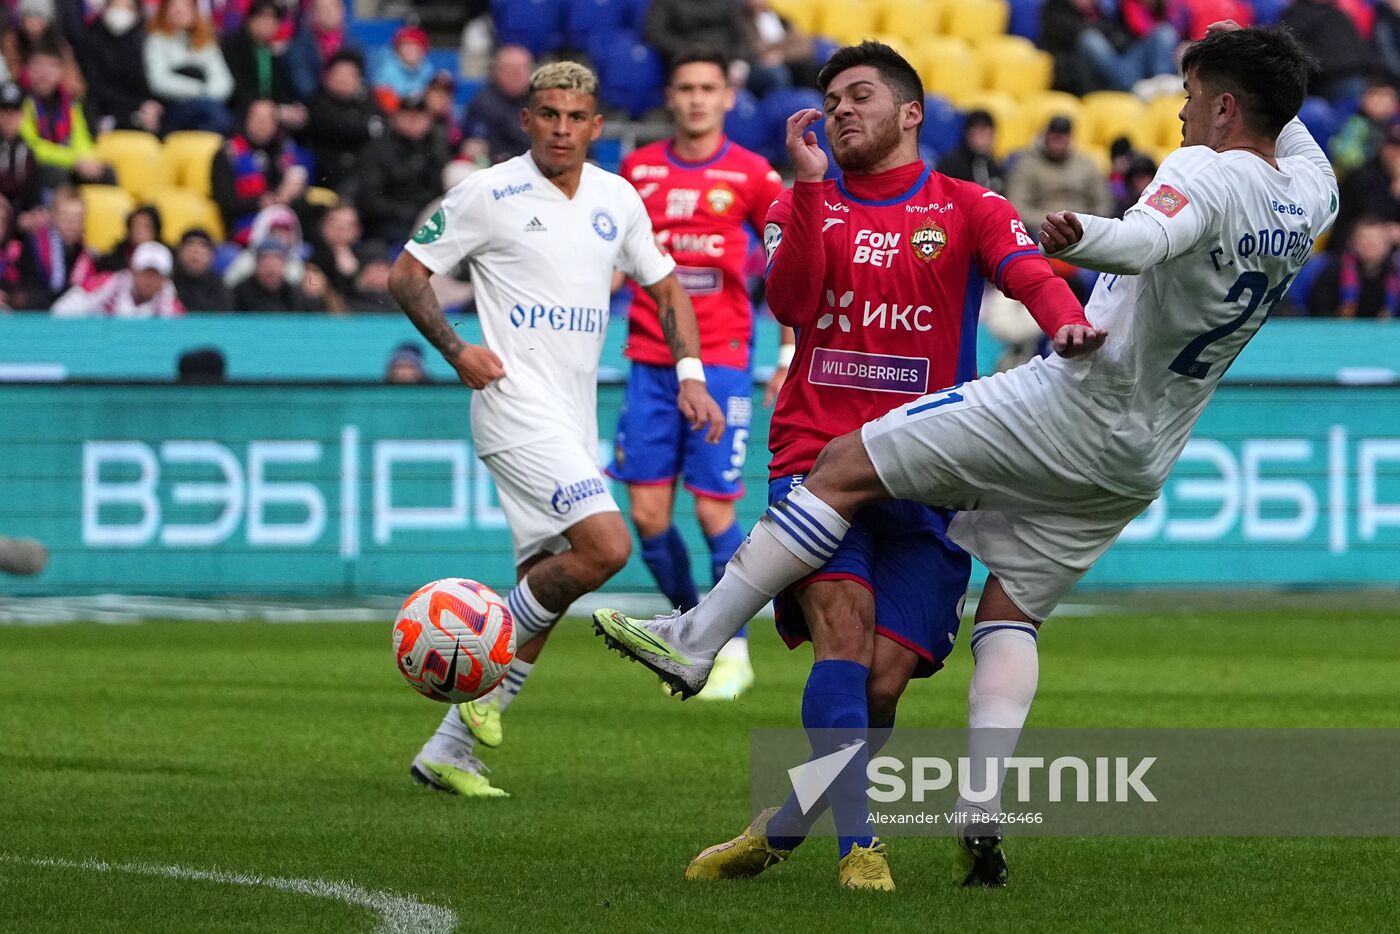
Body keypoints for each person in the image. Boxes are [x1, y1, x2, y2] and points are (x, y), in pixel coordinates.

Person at [593, 22, 1335, 888]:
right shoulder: (1311, 193)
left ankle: (696, 635)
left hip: (1073, 401)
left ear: (1223, 106)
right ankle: (979, 802)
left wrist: (1079, 236)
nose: (1175, 113)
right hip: (1146, 452)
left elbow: (1144, 243)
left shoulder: (1205, 167)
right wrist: (1249, 56)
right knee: (1010, 613)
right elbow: (1288, 118)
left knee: (841, 466)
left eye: (1186, 94)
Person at [611, 39, 1087, 891]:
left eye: (859, 96)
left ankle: (783, 825)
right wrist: (804, 189)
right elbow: (788, 301)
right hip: (817, 462)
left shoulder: (969, 205)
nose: (841, 112)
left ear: (911, 113)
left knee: (881, 686)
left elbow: (1027, 273)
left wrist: (1068, 328)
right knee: (843, 631)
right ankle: (858, 849)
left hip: (932, 467)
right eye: (831, 101)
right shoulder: (808, 202)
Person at [389, 60, 724, 798]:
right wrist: (455, 350)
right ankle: (472, 651)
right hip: (511, 404)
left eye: (576, 117)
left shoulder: (617, 198)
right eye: (548, 115)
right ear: (527, 120)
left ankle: (448, 755)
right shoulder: (489, 192)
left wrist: (691, 375)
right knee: (606, 546)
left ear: (597, 125)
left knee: (547, 584)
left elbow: (666, 286)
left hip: (570, 415)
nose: (562, 129)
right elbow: (406, 275)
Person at [605, 50, 786, 701]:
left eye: (709, 87)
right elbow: (616, 259)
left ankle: (731, 647)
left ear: (727, 97)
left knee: (714, 507)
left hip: (725, 361)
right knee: (648, 516)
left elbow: (787, 262)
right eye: (686, 86)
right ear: (671, 96)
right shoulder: (638, 169)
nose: (697, 98)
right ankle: (687, 632)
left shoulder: (751, 173)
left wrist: (788, 349)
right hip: (650, 360)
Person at [210, 98, 311, 241]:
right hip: (241, 231)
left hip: (284, 232)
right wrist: (259, 202)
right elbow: (225, 202)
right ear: (246, 119)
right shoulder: (229, 153)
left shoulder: (285, 153)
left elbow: (300, 199)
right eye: (257, 118)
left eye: (269, 119)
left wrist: (291, 193)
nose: (262, 124)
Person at [357, 92, 448, 245]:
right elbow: (370, 198)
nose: (414, 122)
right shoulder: (378, 148)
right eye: (408, 116)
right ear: (395, 118)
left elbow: (438, 188)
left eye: (420, 117)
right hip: (388, 222)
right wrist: (404, 211)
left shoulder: (434, 146)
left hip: (426, 214)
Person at [19, 44, 109, 189]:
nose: (44, 73)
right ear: (28, 69)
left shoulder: (70, 102)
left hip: (71, 162)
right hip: (38, 166)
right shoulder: (20, 102)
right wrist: (73, 160)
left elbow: (81, 136)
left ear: (61, 71)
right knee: (56, 173)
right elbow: (31, 146)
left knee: (106, 174)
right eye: (38, 65)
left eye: (52, 66)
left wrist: (85, 158)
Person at [144, 0, 235, 134]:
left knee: (217, 114)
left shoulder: (206, 43)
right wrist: (198, 91)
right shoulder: (157, 41)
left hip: (208, 104)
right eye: (174, 6)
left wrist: (206, 95)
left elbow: (224, 82)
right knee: (216, 116)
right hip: (172, 106)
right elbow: (159, 82)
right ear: (165, 11)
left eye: (186, 6)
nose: (180, 11)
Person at [1006, 114, 1115, 226]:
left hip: (1082, 226)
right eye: (1054, 136)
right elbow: (1017, 206)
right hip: (1042, 227)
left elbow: (1104, 202)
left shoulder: (1086, 164)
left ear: (1070, 138)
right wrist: (1055, 223)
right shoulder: (1026, 164)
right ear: (1045, 136)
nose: (1058, 141)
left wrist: (1089, 224)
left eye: (1063, 136)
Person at [301, 49, 383, 195]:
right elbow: (340, 127)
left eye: (351, 74)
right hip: (331, 178)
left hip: (366, 176)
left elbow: (383, 123)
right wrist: (366, 126)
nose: (344, 80)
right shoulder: (318, 103)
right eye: (339, 74)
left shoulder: (367, 100)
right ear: (327, 77)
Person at [75, 0, 163, 134]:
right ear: (104, 10)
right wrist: (137, 106)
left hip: (142, 110)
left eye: (126, 8)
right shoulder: (89, 39)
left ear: (137, 13)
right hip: (102, 109)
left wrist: (148, 106)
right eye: (115, 7)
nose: (120, 13)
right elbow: (95, 86)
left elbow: (151, 84)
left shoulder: (146, 42)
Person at [220, 0, 304, 127]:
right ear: (250, 19)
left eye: (273, 19)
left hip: (269, 113)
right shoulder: (233, 46)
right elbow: (236, 90)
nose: (267, 24)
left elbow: (279, 89)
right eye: (262, 17)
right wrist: (274, 110)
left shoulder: (271, 52)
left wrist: (290, 106)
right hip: (239, 112)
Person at [52, 240, 185, 316]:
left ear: (165, 279)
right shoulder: (107, 284)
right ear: (133, 271)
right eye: (145, 273)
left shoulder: (170, 305)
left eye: (156, 275)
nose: (149, 280)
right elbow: (61, 310)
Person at [1307, 215, 1399, 317]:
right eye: (1364, 239)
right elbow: (1320, 310)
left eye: (1377, 239)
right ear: (1352, 242)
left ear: (1389, 244)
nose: (1370, 244)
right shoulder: (1333, 269)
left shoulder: (1395, 273)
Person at [19, 186, 95, 308]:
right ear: (53, 216)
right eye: (65, 216)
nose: (71, 223)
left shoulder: (87, 254)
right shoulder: (33, 247)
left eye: (77, 218)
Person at [461, 44, 532, 165]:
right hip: (497, 167)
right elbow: (477, 143)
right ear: (496, 71)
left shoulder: (538, 100)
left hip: (535, 164)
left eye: (523, 68)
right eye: (511, 69)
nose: (517, 74)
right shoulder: (484, 102)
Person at [286, 0, 361, 102]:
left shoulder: (354, 43)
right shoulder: (299, 47)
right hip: (317, 104)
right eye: (322, 9)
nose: (328, 12)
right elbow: (304, 85)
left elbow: (362, 80)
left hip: (351, 103)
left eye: (333, 8)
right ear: (313, 14)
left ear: (342, 11)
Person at [230, 238, 314, 312]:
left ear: (284, 263)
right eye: (264, 259)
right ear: (256, 264)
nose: (270, 265)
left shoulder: (295, 295)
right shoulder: (240, 293)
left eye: (276, 259)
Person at [937, 108, 1005, 194]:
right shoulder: (951, 166)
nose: (983, 138)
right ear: (967, 134)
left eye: (987, 133)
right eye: (979, 132)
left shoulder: (996, 168)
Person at [0, 82, 41, 215]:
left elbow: (33, 196)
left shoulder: (29, 150)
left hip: (21, 218)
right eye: (4, 112)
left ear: (23, 115)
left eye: (15, 112)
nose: (9, 118)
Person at [371, 25, 433, 110]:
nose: (409, 50)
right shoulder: (386, 72)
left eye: (413, 45)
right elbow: (386, 104)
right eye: (404, 45)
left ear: (422, 49)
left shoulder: (428, 71)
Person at [171, 226, 232, 311]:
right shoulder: (167, 285)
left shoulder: (221, 289)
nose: (196, 250)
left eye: (203, 245)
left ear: (212, 255)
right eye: (190, 244)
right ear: (179, 252)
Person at [94, 203, 161, 275]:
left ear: (155, 231)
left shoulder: (166, 257)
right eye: (136, 226)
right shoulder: (112, 260)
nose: (140, 231)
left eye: (146, 226)